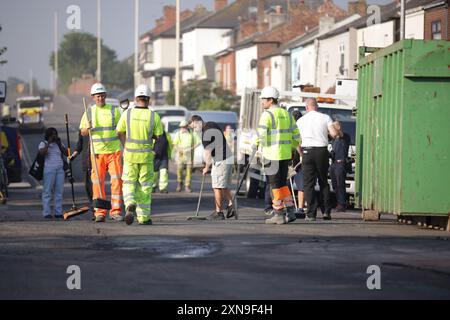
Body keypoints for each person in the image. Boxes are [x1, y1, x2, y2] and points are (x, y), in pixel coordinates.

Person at [116, 84, 163, 225]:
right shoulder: (154, 116)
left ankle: (130, 203)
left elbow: (119, 132)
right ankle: (143, 217)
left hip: (130, 155)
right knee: (145, 186)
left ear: (136, 98)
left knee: (129, 183)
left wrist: (126, 145)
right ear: (149, 99)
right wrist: (151, 136)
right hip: (146, 156)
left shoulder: (127, 114)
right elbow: (159, 137)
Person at [79, 83, 123, 223]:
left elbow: (121, 130)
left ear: (105, 96)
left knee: (117, 181)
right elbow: (83, 132)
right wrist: (88, 127)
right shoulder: (89, 112)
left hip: (113, 152)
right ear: (93, 97)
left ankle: (115, 211)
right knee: (98, 183)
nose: (100, 98)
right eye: (98, 96)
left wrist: (125, 147)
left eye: (102, 95)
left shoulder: (114, 110)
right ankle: (100, 212)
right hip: (97, 153)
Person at [256, 86, 300, 225]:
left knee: (274, 186)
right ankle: (291, 211)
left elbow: (261, 135)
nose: (262, 102)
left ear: (270, 100)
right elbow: (296, 135)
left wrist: (256, 146)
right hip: (285, 155)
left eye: (263, 99)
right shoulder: (287, 114)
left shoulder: (267, 115)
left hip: (272, 155)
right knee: (282, 184)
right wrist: (292, 148)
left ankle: (279, 214)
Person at [297, 98, 338, 221]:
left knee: (308, 184)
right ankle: (326, 211)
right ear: (317, 106)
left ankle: (311, 214)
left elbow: (297, 140)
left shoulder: (300, 120)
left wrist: (301, 153)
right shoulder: (325, 117)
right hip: (321, 151)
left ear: (306, 107)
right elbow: (334, 134)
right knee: (323, 181)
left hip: (307, 151)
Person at [198, 118, 235, 220]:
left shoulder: (205, 134)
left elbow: (207, 152)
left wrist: (206, 167)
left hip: (221, 160)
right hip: (228, 157)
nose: (194, 130)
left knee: (217, 186)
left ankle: (219, 213)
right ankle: (231, 206)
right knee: (224, 185)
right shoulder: (212, 124)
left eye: (194, 127)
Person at [38, 127, 68, 219]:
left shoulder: (59, 144)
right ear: (48, 135)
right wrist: (49, 142)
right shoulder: (43, 143)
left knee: (59, 192)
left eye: (55, 134)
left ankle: (58, 212)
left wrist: (59, 144)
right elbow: (42, 153)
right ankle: (46, 212)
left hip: (60, 169)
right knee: (47, 192)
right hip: (49, 169)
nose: (54, 136)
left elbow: (67, 153)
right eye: (52, 134)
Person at [172, 120, 201, 193]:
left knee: (188, 171)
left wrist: (192, 148)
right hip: (180, 155)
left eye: (184, 127)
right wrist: (178, 149)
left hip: (189, 156)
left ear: (187, 127)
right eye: (181, 127)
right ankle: (179, 183)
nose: (183, 128)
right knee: (179, 170)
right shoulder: (178, 134)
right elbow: (174, 144)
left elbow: (198, 142)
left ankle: (187, 186)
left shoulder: (192, 134)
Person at [69, 130, 93, 213]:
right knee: (87, 186)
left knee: (96, 187)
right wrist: (73, 156)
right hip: (86, 162)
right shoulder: (82, 130)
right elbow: (79, 146)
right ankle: (93, 205)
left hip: (96, 162)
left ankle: (97, 210)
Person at [329, 121, 350, 212]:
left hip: (340, 164)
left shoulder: (344, 137)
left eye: (333, 127)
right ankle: (338, 202)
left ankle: (342, 203)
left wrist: (336, 129)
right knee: (334, 185)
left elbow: (340, 134)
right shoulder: (334, 140)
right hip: (333, 164)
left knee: (340, 184)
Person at [291, 110, 305, 216]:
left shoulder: (291, 128)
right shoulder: (301, 128)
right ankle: (300, 207)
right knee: (301, 185)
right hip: (297, 160)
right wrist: (301, 155)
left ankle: (286, 207)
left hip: (290, 159)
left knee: (285, 185)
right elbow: (298, 144)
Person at [153, 128, 173, 194]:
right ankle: (153, 186)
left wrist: (170, 155)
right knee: (154, 173)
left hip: (164, 157)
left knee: (164, 172)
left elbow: (170, 145)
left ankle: (163, 188)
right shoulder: (152, 133)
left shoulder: (167, 134)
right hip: (154, 157)